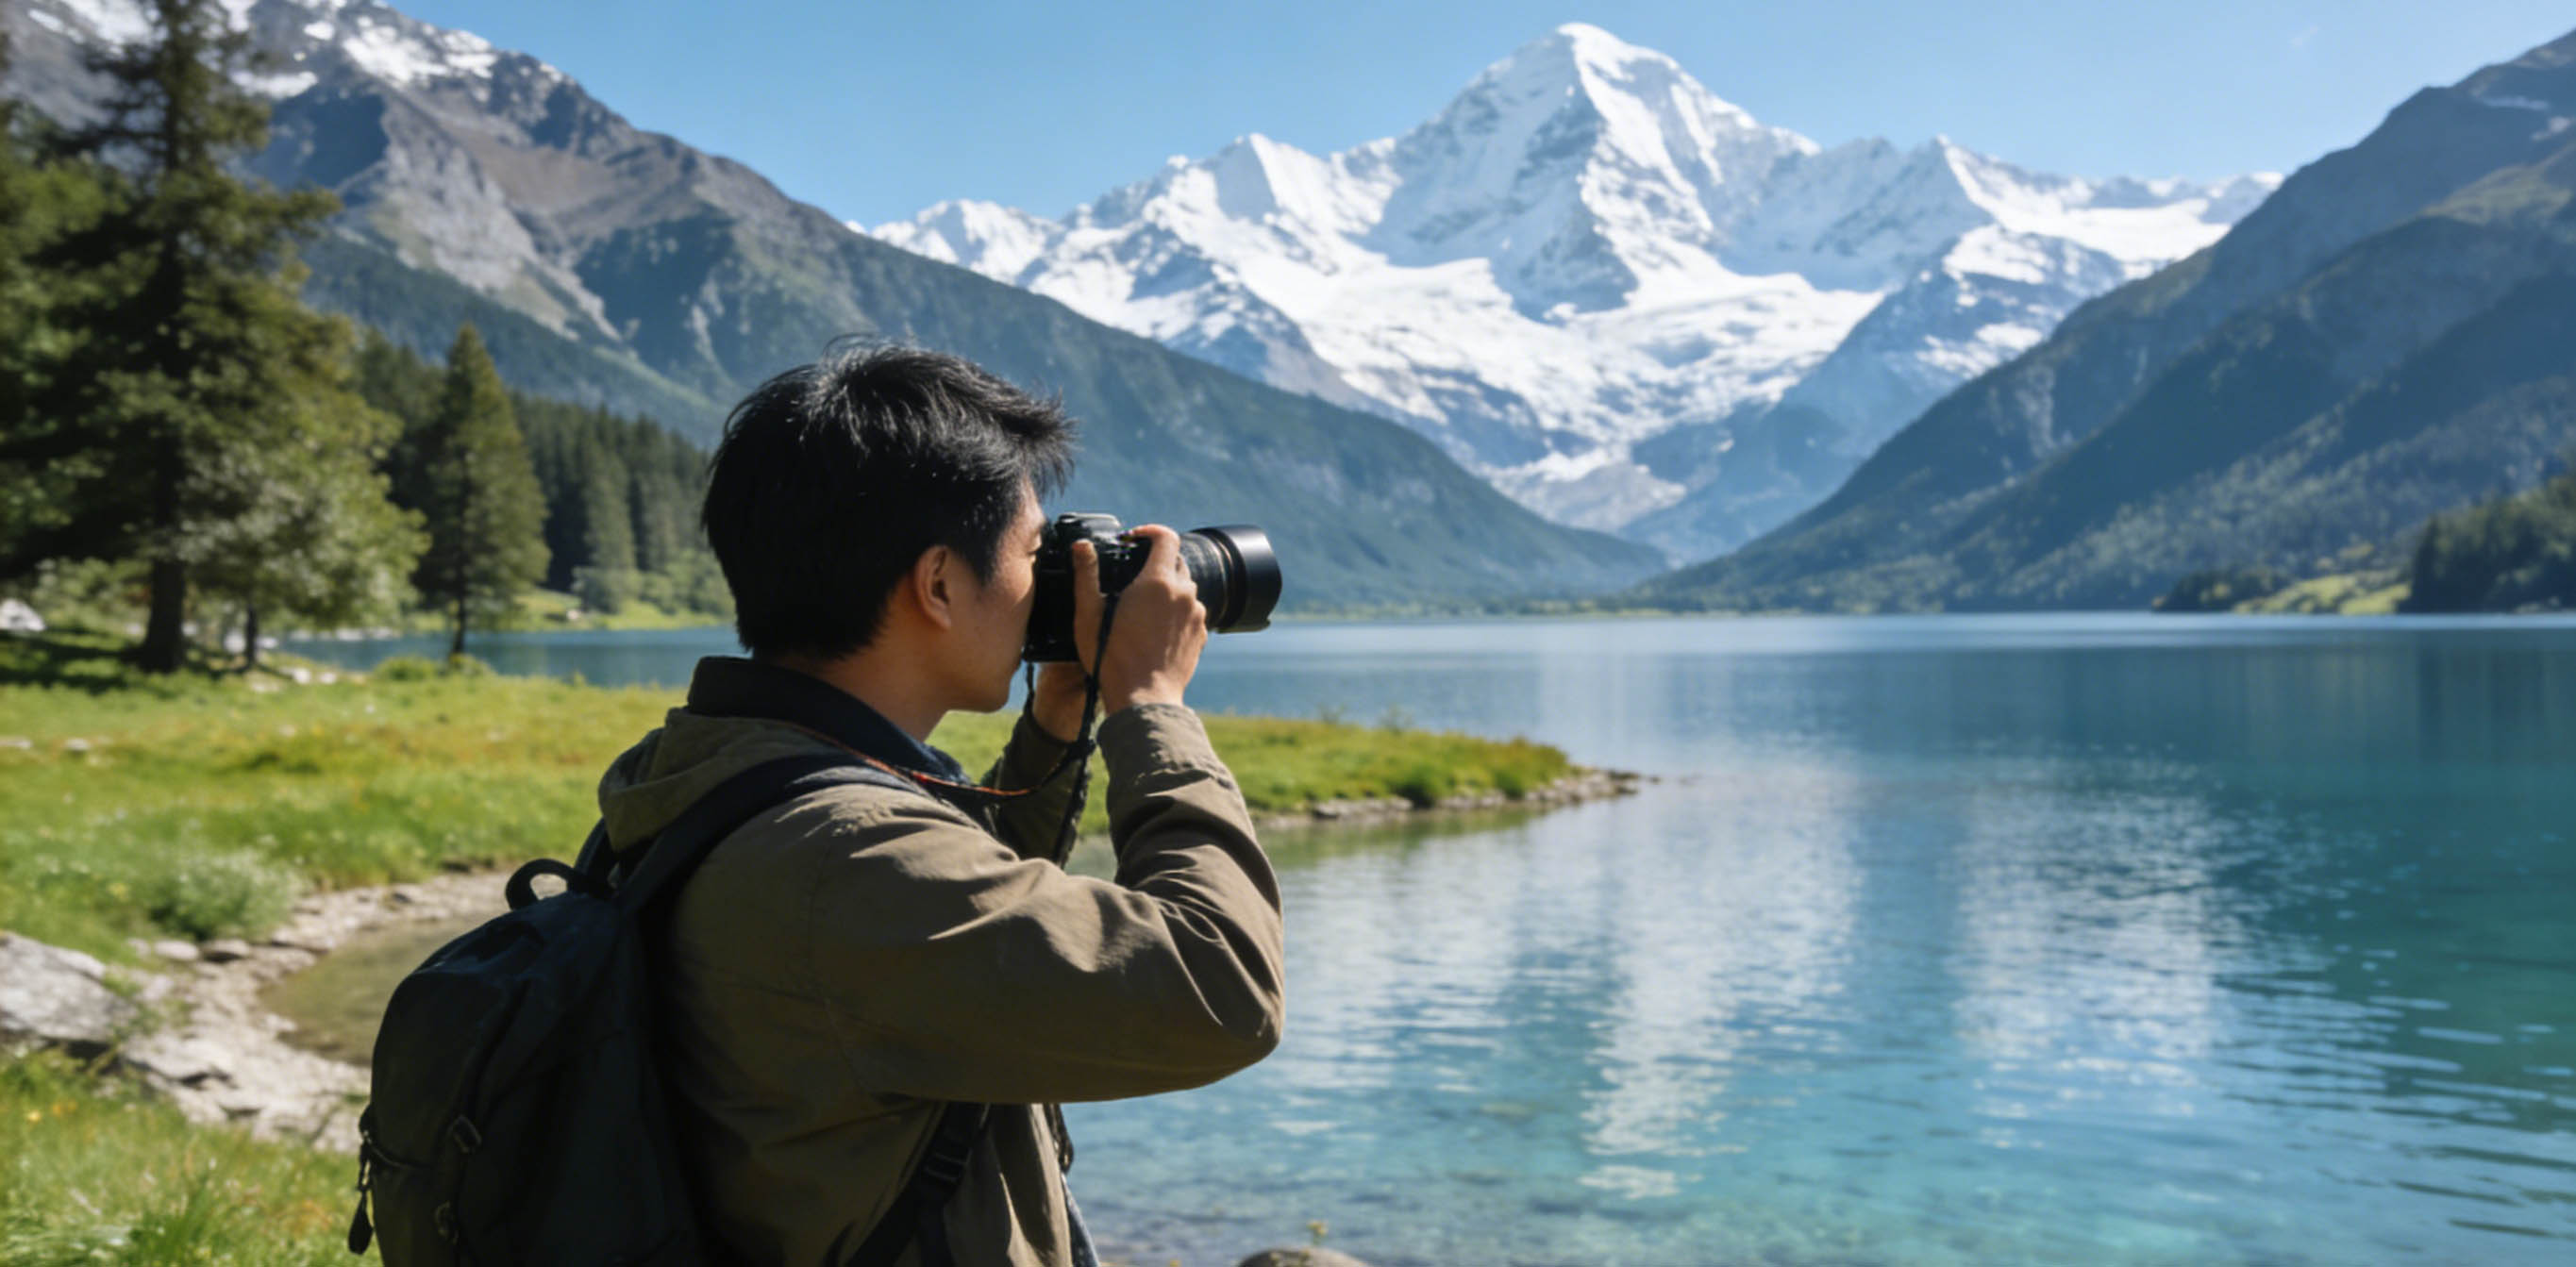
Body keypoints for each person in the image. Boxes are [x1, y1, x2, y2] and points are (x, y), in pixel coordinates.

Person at [591, 343, 1286, 1266]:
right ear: (938, 585)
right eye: (1036, 552)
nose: (1050, 579)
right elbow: (1224, 985)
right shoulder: (843, 860)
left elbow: (956, 918)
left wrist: (1057, 718)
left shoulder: (723, 771)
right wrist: (1151, 705)